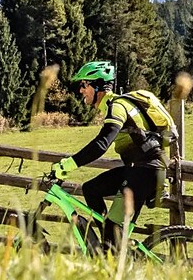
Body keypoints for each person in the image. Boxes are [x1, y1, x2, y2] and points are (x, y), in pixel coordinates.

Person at [47, 61, 177, 254]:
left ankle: (113, 256)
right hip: (138, 168)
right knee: (91, 190)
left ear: (98, 86)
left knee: (113, 226)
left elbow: (101, 144)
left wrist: (69, 164)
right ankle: (108, 242)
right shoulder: (114, 105)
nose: (81, 90)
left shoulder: (117, 106)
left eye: (84, 85)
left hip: (146, 171)